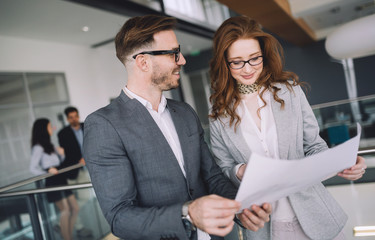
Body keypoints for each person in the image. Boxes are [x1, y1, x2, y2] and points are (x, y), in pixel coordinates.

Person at [83, 15, 271, 240]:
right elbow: (120, 218)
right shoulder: (104, 125)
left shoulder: (184, 112)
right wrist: (188, 213)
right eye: (174, 53)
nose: (182, 60)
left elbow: (212, 177)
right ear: (143, 62)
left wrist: (242, 208)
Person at [208, 15, 367, 240]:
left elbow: (313, 146)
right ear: (224, 62)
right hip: (265, 227)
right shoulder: (218, 113)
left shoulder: (290, 92)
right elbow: (223, 168)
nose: (247, 68)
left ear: (264, 54)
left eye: (254, 58)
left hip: (315, 215)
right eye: (237, 61)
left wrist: (342, 163)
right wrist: (240, 171)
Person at [30, 118, 79, 240]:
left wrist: (62, 155)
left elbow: (58, 164)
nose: (52, 128)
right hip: (52, 181)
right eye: (49, 126)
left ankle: (67, 235)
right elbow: (33, 168)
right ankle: (67, 238)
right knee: (66, 210)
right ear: (43, 129)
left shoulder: (50, 145)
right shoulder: (38, 147)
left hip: (61, 178)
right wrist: (46, 172)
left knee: (75, 208)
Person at [58, 106, 85, 180]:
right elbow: (66, 152)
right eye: (71, 117)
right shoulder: (62, 133)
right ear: (67, 119)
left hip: (93, 164)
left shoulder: (87, 126)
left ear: (78, 116)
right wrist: (79, 159)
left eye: (76, 116)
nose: (74, 119)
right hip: (76, 168)